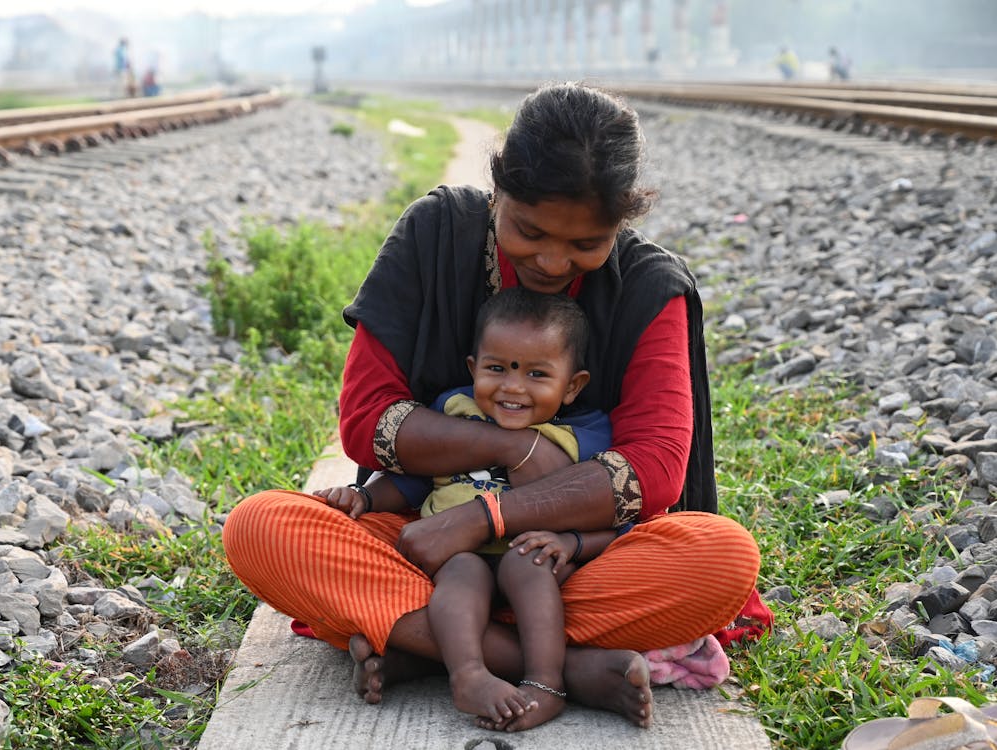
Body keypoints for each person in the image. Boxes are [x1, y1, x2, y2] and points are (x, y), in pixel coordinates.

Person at [222, 82, 763, 730]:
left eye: (586, 243)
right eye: (528, 231)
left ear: (621, 223)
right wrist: (512, 448)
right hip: (425, 540)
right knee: (260, 527)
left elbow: (655, 469)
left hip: (572, 556)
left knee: (721, 558)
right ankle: (565, 665)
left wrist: (486, 516)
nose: (553, 260)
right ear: (497, 189)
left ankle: (429, 644)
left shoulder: (649, 287)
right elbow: (367, 421)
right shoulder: (435, 233)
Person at [314, 287, 615, 730]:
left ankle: (544, 683)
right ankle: (468, 674)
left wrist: (570, 542)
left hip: (535, 559)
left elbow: (615, 512)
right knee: (460, 573)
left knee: (527, 566)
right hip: (449, 556)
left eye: (536, 374)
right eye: (497, 368)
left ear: (573, 386)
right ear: (473, 367)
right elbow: (413, 480)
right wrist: (365, 497)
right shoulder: (454, 412)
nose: (513, 387)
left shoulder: (586, 433)